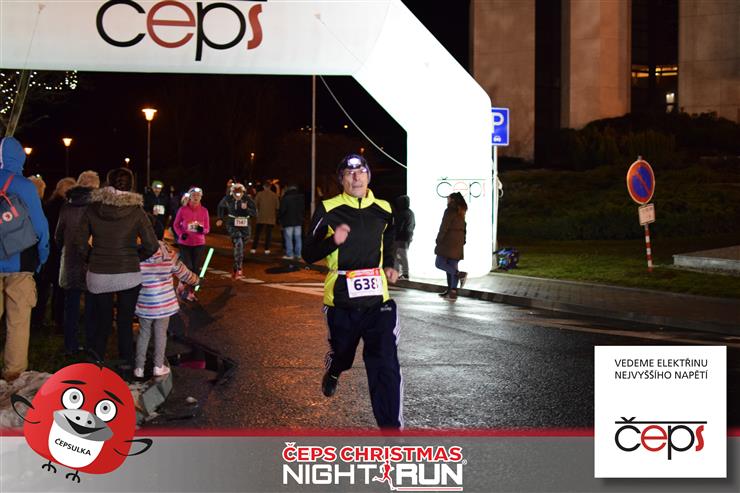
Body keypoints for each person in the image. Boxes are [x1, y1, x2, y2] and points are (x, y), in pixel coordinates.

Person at [302, 153, 402, 429]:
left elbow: (389, 238)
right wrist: (333, 241)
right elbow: (308, 253)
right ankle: (335, 369)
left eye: (361, 171)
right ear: (342, 180)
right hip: (341, 301)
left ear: (369, 175)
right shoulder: (328, 209)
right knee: (344, 355)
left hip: (378, 302)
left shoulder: (384, 208)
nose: (356, 177)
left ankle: (391, 430)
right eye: (349, 173)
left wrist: (390, 264)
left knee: (384, 362)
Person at [76, 167, 158, 371]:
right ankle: (127, 364)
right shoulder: (137, 211)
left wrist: (92, 257)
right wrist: (135, 257)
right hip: (128, 274)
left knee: (101, 321)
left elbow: (79, 242)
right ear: (131, 186)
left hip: (99, 274)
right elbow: (152, 245)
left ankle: (96, 363)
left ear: (107, 183)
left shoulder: (93, 208)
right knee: (125, 321)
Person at [0, 137, 50, 382]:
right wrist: (42, 256)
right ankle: (13, 373)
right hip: (20, 262)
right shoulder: (24, 185)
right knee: (18, 321)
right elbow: (40, 227)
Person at [134, 217, 199, 379]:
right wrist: (196, 280)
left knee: (144, 333)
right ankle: (158, 366)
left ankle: (139, 368)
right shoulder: (169, 253)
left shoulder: (137, 253)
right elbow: (184, 274)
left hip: (144, 302)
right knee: (161, 333)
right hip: (164, 304)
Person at [56, 170, 100, 356]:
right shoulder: (98, 208)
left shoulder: (67, 206)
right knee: (92, 306)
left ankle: (70, 345)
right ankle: (91, 345)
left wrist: (65, 248)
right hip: (92, 261)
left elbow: (58, 235)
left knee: (71, 305)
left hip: (70, 260)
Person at [33, 177, 76, 329]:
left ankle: (37, 319)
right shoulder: (67, 208)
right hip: (59, 252)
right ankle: (58, 319)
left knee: (41, 288)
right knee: (60, 289)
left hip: (45, 251)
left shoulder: (46, 206)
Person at [172, 187, 209, 301]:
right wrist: (181, 234)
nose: (196, 197)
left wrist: (201, 230)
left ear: (201, 197)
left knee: (195, 268)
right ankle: (182, 283)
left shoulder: (204, 211)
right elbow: (176, 225)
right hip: (185, 243)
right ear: (190, 197)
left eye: (198, 195)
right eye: (194, 195)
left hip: (199, 243)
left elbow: (207, 229)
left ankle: (191, 292)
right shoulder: (183, 210)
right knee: (188, 266)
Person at [217, 183, 256, 279]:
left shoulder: (248, 199)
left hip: (245, 225)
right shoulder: (228, 198)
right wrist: (220, 218)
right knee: (238, 242)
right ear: (232, 193)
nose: (237, 195)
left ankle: (237, 264)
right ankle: (238, 268)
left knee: (240, 246)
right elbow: (220, 206)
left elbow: (255, 213)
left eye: (240, 193)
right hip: (232, 223)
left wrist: (246, 209)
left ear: (243, 192)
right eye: (235, 193)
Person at [434, 192, 468, 301]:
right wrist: (463, 241)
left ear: (452, 200)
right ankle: (452, 292)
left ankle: (460, 274)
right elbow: (464, 227)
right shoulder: (461, 211)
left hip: (448, 241)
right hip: (458, 242)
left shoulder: (450, 210)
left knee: (439, 263)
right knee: (452, 266)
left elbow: (444, 226)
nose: (447, 200)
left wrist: (439, 239)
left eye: (448, 198)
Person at [251, 182, 279, 255]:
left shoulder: (259, 194)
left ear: (263, 186)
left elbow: (254, 204)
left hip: (261, 217)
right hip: (270, 218)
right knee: (268, 234)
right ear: (270, 187)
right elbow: (277, 207)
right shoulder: (274, 195)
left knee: (257, 233)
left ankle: (254, 248)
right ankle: (267, 249)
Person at [278, 184, 305, 259]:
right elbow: (303, 209)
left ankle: (290, 254)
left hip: (288, 221)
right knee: (298, 238)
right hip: (298, 221)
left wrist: (280, 218)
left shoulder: (286, 198)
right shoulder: (301, 198)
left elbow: (282, 210)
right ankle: (298, 254)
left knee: (288, 238)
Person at [393, 195, 415, 279]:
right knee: (399, 255)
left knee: (400, 255)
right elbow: (413, 224)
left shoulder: (402, 213)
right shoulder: (411, 212)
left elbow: (399, 226)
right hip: (407, 236)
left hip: (400, 237)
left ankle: (404, 273)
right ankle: (399, 272)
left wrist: (395, 235)